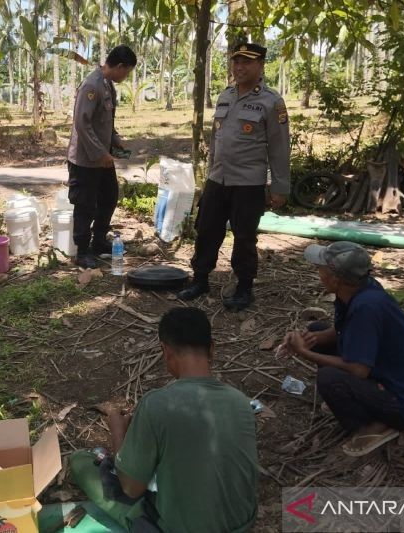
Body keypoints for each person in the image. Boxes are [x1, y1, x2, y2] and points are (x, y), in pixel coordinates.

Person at [69, 307, 259, 532]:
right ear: (213, 349)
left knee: (80, 461)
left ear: (166, 351)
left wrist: (118, 433)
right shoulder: (240, 402)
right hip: (244, 527)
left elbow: (130, 488)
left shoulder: (157, 404)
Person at [281, 241, 404, 457]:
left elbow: (359, 370)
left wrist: (305, 352)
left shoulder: (366, 308)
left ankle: (372, 425)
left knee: (329, 379)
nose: (318, 273)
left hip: (402, 403)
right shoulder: (359, 289)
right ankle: (367, 404)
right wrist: (312, 338)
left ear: (336, 278)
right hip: (386, 374)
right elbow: (341, 330)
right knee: (317, 330)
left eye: (321, 268)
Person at [178, 42, 290, 311]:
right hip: (218, 179)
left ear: (261, 65)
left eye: (247, 62)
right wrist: (209, 175)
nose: (239, 67)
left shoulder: (271, 102)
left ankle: (244, 287)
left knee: (244, 237)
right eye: (236, 61)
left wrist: (280, 186)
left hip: (248, 183)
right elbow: (217, 141)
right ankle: (200, 279)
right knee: (206, 230)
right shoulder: (224, 96)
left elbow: (279, 147)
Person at [67, 45, 137, 269]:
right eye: (126, 72)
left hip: (103, 158)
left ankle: (98, 241)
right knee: (85, 204)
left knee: (109, 197)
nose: (125, 77)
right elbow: (82, 124)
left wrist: (115, 139)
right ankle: (82, 250)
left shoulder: (108, 86)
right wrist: (100, 153)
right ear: (119, 66)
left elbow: (105, 122)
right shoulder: (92, 85)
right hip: (86, 160)